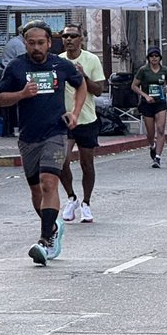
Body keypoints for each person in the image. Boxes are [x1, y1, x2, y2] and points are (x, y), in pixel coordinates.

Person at [0, 22, 85, 266]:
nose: (36, 47)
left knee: (49, 183)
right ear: (25, 43)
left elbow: (81, 84)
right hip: (27, 137)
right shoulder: (16, 67)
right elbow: (1, 99)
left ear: (49, 43)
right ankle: (53, 226)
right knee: (36, 189)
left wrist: (75, 113)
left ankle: (46, 240)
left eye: (41, 42)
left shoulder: (61, 65)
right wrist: (22, 94)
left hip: (56, 133)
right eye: (31, 43)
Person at [58, 24, 106, 224]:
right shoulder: (58, 61)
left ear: (81, 39)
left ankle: (86, 202)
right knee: (61, 160)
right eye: (65, 36)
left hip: (86, 119)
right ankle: (71, 197)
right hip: (63, 119)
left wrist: (83, 75)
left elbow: (99, 90)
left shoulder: (91, 60)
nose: (69, 39)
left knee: (87, 163)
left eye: (73, 36)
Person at [131, 47, 167, 167]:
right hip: (147, 103)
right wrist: (145, 96)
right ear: (148, 58)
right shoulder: (143, 70)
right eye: (152, 56)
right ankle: (152, 146)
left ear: (160, 58)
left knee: (161, 129)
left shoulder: (164, 70)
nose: (154, 58)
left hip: (160, 103)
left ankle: (157, 158)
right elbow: (134, 86)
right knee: (150, 132)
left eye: (156, 56)